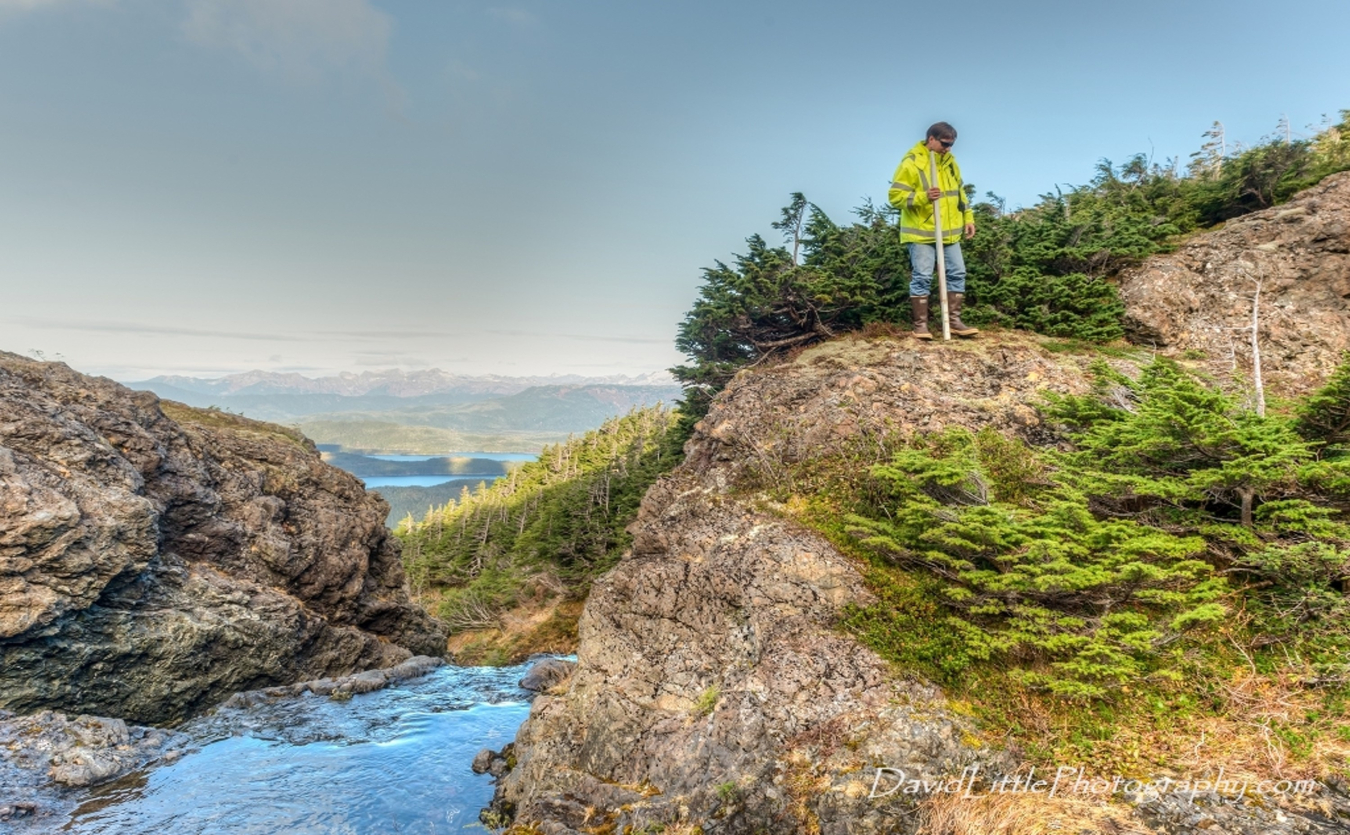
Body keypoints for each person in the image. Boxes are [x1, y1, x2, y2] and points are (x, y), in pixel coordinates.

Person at [888, 122, 979, 339]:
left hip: (950, 231)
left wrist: (968, 217)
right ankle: (920, 327)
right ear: (931, 139)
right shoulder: (911, 163)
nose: (948, 148)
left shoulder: (950, 163)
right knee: (922, 276)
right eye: (944, 143)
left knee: (958, 272)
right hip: (921, 233)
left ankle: (954, 322)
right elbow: (895, 198)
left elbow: (960, 194)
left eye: (951, 144)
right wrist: (923, 197)